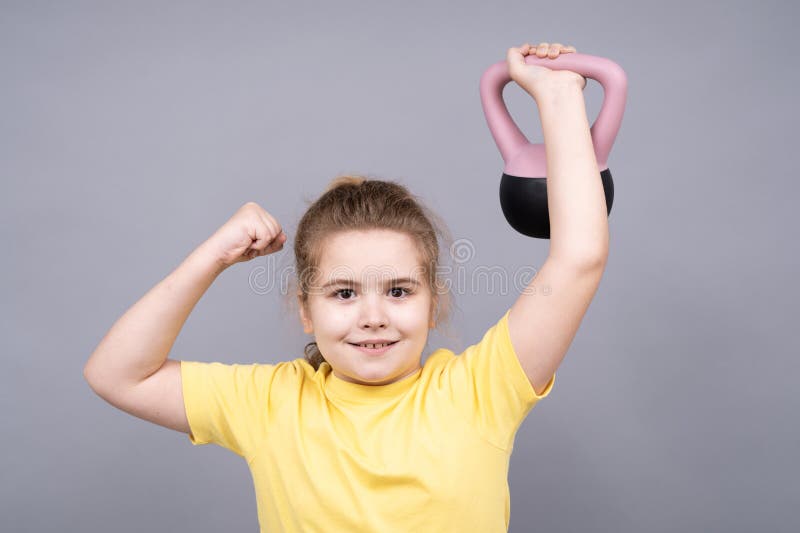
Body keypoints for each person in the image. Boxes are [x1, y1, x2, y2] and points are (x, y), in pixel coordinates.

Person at [83, 42, 608, 533]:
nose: (373, 316)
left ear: (434, 305)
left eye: (399, 291)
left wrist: (559, 99)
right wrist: (211, 258)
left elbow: (579, 257)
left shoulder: (481, 389)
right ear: (305, 311)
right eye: (343, 293)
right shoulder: (270, 404)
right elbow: (117, 374)